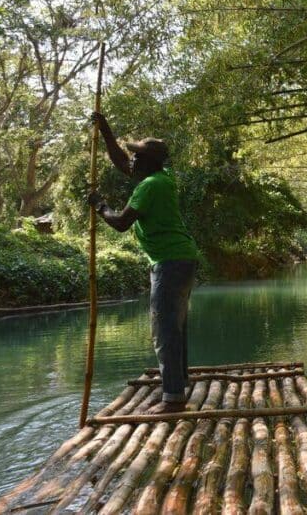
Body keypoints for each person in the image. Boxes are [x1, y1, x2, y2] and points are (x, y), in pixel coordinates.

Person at [87, 112, 201, 414]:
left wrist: (100, 205)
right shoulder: (161, 178)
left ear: (149, 163)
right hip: (181, 258)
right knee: (174, 327)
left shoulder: (150, 185)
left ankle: (173, 398)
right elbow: (122, 163)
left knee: (164, 329)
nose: (131, 161)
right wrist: (107, 132)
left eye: (137, 157)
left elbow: (122, 222)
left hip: (170, 261)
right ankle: (177, 385)